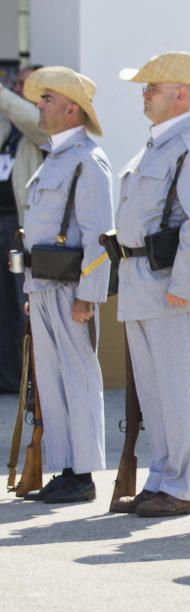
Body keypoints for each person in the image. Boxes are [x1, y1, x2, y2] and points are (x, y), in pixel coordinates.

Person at [108, 52, 190, 517]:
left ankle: (182, 486)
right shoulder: (152, 148)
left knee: (176, 391)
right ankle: (161, 478)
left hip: (169, 285)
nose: (144, 93)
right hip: (140, 282)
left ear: (181, 94)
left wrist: (187, 283)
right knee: (153, 395)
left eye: (153, 87)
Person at [20, 66, 113, 503]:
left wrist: (88, 295)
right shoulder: (54, 157)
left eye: (48, 100)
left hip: (70, 287)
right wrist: (29, 290)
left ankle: (84, 472)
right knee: (52, 381)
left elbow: (98, 234)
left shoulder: (88, 161)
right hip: (43, 283)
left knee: (77, 376)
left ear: (72, 109)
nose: (40, 106)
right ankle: (66, 467)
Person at [0, 65, 46, 392]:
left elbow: (31, 118)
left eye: (23, 84)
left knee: (18, 304)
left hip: (16, 225)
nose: (16, 88)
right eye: (13, 83)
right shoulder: (10, 122)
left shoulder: (40, 125)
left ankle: (17, 377)